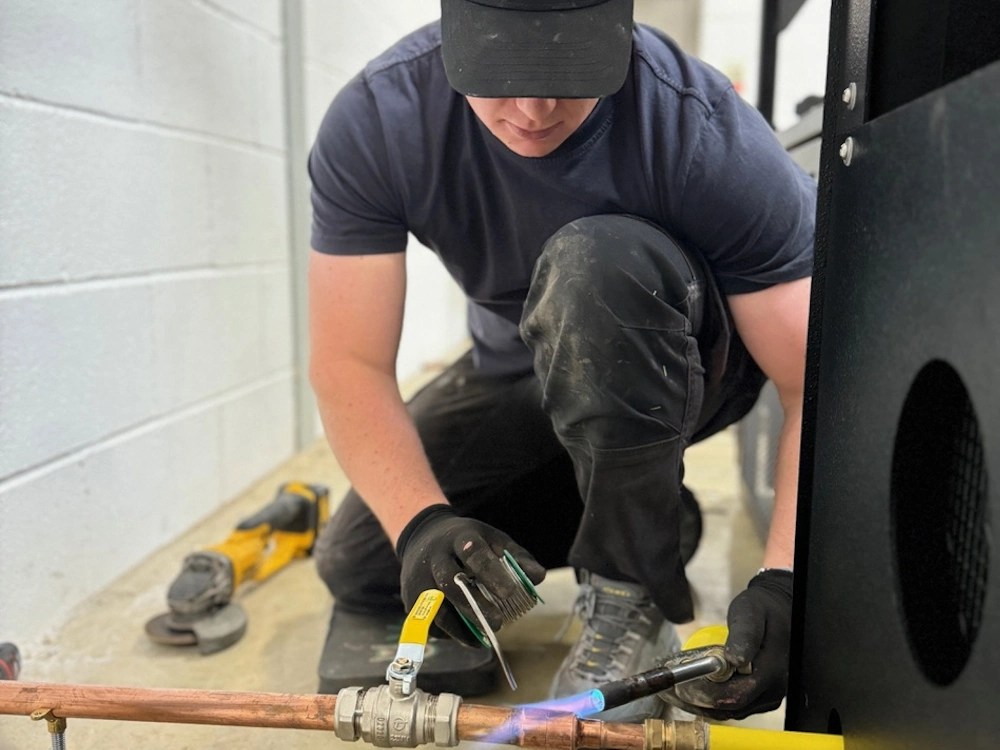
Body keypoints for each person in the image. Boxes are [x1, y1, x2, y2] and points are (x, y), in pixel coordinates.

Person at [307, 0, 813, 723]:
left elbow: (808, 384)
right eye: (503, 75)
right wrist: (422, 524)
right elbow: (350, 363)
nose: (535, 108)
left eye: (569, 74)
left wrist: (786, 578)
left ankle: (630, 584)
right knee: (361, 560)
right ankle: (647, 514)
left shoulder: (699, 130)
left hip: (676, 360)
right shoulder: (380, 119)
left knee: (592, 266)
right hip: (518, 369)